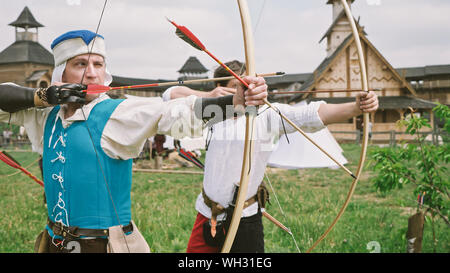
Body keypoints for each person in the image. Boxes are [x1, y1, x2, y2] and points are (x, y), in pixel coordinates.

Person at [0, 31, 268, 253]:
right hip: (55, 243)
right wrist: (43, 97)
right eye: (80, 64)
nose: (91, 73)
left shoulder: (117, 113)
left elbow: (174, 112)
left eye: (98, 64)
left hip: (105, 245)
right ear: (61, 73)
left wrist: (235, 102)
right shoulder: (45, 116)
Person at [162, 60, 379, 253]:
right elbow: (169, 95)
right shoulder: (211, 112)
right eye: (236, 86)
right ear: (221, 89)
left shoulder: (266, 115)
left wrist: (356, 107)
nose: (244, 91)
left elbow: (311, 114)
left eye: (248, 85)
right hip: (207, 213)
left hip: (245, 219)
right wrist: (209, 97)